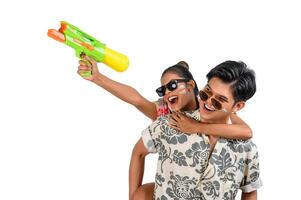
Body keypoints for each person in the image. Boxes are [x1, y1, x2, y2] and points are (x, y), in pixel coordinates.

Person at [130, 61, 262, 200]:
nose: (208, 102)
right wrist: (133, 195)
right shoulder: (171, 123)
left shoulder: (246, 149)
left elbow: (250, 191)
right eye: (206, 93)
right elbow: (138, 153)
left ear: (238, 106)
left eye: (219, 100)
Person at [77, 56, 252, 140]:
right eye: (163, 90)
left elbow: (246, 132)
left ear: (190, 85)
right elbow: (136, 99)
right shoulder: (165, 112)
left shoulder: (209, 105)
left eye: (173, 86)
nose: (167, 93)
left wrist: (194, 126)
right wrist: (97, 78)